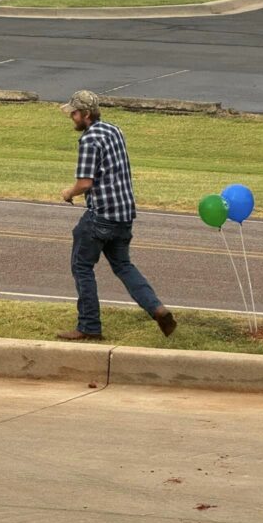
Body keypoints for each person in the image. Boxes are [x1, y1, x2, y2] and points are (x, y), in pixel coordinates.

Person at [57, 90, 176, 342]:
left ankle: (89, 326)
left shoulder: (89, 140)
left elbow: (85, 183)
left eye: (75, 113)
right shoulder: (114, 130)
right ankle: (157, 309)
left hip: (101, 216)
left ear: (86, 115)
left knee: (82, 266)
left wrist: (68, 192)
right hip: (124, 214)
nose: (72, 117)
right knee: (123, 265)